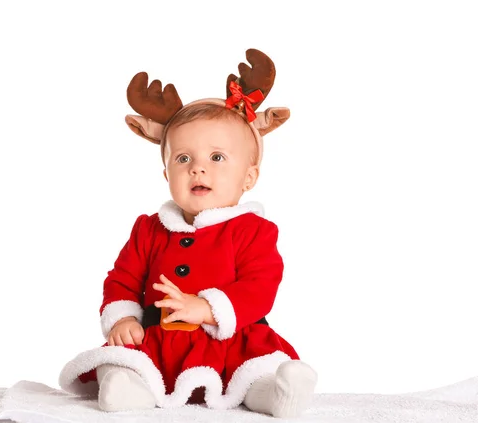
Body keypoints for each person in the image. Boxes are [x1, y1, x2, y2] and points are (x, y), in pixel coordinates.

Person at [58, 48, 318, 418]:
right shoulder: (149, 229)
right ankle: (127, 390)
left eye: (217, 158)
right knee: (121, 363)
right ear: (167, 174)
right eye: (183, 159)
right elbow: (122, 278)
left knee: (253, 373)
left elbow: (260, 285)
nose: (198, 169)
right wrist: (123, 319)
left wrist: (207, 308)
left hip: (230, 339)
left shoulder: (253, 230)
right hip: (159, 341)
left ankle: (278, 394)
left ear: (249, 177)